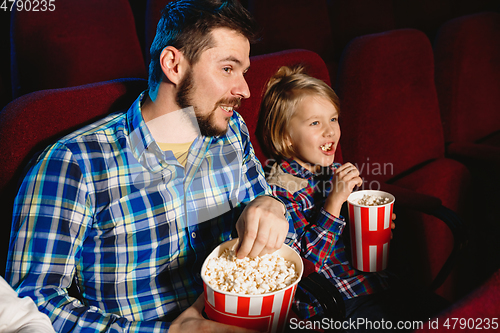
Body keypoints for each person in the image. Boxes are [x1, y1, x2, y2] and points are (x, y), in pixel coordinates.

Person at [6, 1, 291, 332]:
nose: (243, 89)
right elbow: (33, 302)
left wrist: (272, 205)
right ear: (173, 64)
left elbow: (279, 232)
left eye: (244, 72)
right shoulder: (73, 165)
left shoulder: (230, 132)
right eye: (228, 69)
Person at [258, 65, 448, 331]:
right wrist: (333, 204)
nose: (330, 131)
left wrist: (376, 227)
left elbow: (357, 238)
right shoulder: (278, 191)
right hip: (335, 305)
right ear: (286, 137)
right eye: (315, 123)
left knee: (450, 316)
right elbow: (299, 268)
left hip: (377, 283)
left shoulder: (335, 171)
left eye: (334, 119)